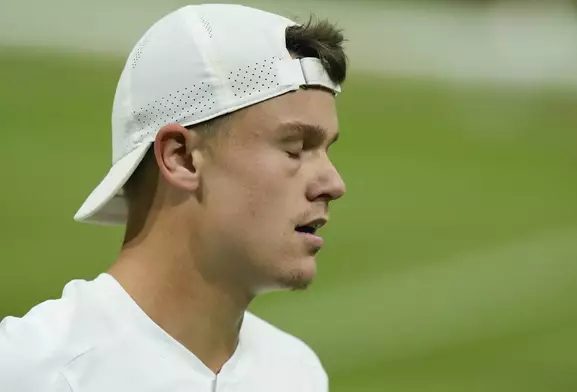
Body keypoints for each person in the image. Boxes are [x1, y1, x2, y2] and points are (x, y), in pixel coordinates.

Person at [0, 3, 348, 391]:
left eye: (327, 150)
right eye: (296, 148)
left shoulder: (297, 374)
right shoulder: (30, 371)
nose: (333, 183)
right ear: (180, 157)